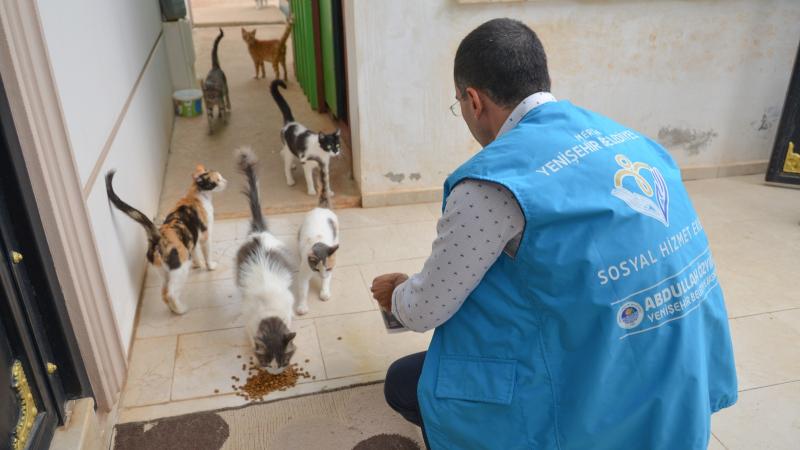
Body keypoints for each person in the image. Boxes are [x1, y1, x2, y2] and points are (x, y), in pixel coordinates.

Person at [370, 18, 737, 450]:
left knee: (404, 382)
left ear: (473, 101)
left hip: (595, 389)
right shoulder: (627, 139)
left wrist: (397, 292)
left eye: (459, 104)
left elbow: (426, 309)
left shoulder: (490, 184)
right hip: (677, 371)